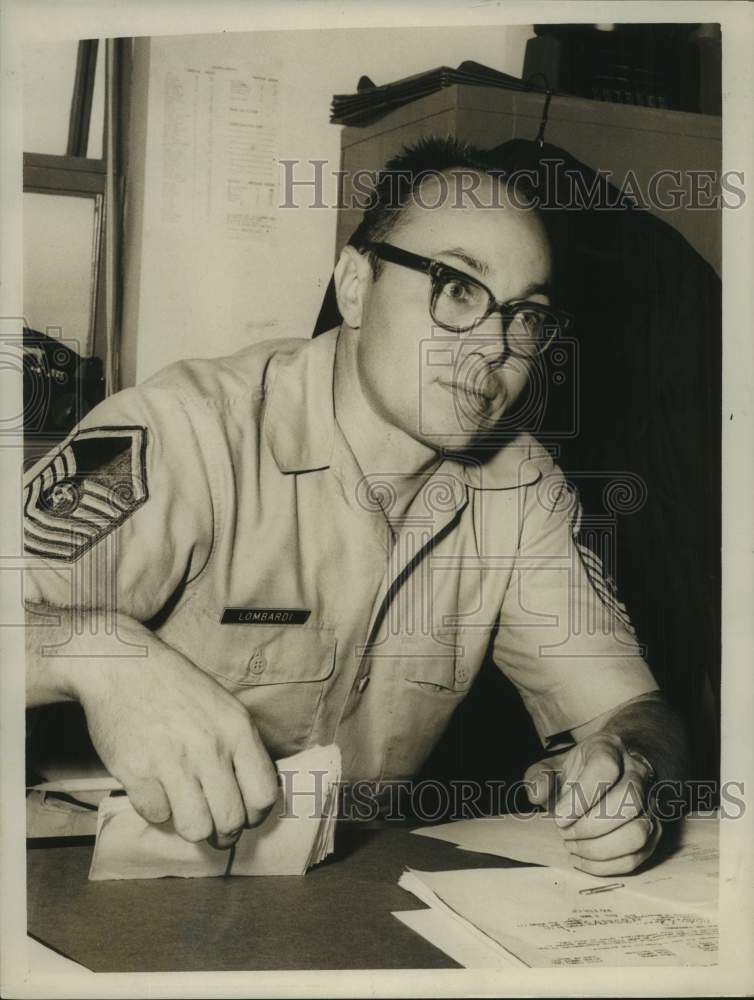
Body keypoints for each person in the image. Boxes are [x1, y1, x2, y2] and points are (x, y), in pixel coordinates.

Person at [24, 137, 686, 875]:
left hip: (328, 889)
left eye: (527, 316)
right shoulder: (185, 430)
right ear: (355, 285)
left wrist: (628, 770)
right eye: (460, 287)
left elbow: (632, 712)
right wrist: (102, 657)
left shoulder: (521, 490)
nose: (498, 345)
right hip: (71, 872)